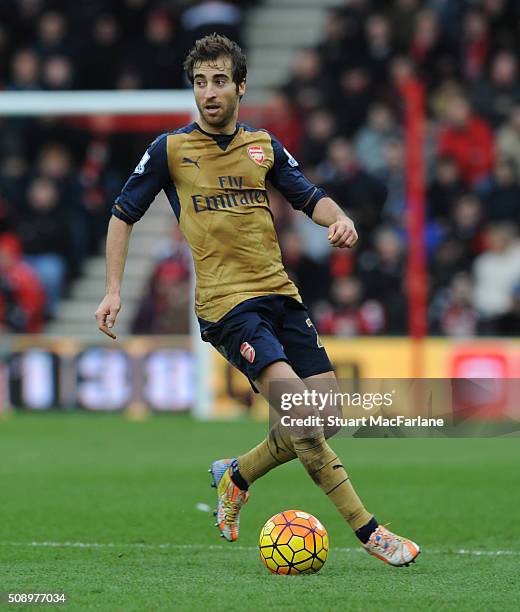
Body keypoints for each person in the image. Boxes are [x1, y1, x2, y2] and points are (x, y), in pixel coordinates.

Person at [94, 34, 420, 567]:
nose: (208, 93)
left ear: (241, 87)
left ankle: (237, 474)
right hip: (228, 307)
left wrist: (339, 219)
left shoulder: (263, 146)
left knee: (324, 414)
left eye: (219, 81)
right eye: (199, 83)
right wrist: (112, 289)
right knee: (305, 421)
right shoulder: (169, 150)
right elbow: (121, 215)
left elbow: (310, 196)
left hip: (280, 296)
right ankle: (370, 532)